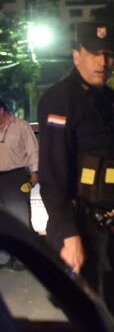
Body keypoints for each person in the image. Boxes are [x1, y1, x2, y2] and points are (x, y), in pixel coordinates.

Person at [37, 22, 114, 324]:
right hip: (79, 230)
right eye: (95, 53)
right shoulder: (60, 99)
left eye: (109, 54)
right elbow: (52, 174)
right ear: (76, 55)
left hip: (111, 230)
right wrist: (69, 234)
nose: (103, 61)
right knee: (90, 318)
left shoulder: (107, 99)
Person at [0, 98, 39, 271]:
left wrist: (35, 172)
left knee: (20, 217)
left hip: (16, 176)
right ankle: (4, 258)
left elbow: (33, 149)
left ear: (1, 110)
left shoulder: (21, 126)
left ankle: (26, 256)